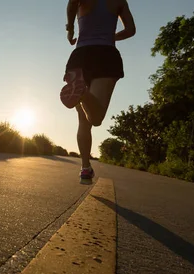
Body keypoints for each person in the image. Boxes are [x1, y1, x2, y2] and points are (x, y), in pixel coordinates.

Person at [60, 0, 136, 184]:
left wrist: (70, 29)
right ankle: (83, 93)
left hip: (80, 56)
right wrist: (112, 36)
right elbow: (131, 30)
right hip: (106, 55)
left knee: (83, 121)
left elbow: (71, 3)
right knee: (95, 118)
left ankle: (85, 168)